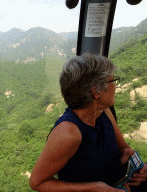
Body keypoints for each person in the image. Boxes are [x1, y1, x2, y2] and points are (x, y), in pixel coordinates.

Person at [29, 53, 147, 192]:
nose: (115, 85)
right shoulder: (68, 133)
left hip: (116, 182)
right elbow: (37, 183)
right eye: (112, 80)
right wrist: (93, 188)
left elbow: (125, 150)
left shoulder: (104, 111)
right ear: (96, 91)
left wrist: (136, 165)